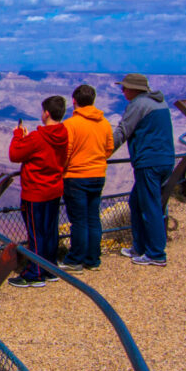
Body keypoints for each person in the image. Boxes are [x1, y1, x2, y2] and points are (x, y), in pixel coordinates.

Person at [112, 73, 174, 267]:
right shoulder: (159, 103)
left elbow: (123, 131)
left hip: (149, 162)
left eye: (125, 88)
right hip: (165, 159)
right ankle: (139, 247)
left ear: (135, 89)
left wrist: (100, 152)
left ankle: (156, 254)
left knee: (150, 206)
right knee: (137, 202)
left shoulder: (138, 105)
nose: (123, 91)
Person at [8, 96, 69, 288]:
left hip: (35, 192)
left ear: (47, 113)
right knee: (50, 231)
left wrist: (18, 135)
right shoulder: (64, 133)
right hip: (54, 189)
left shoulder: (38, 137)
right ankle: (50, 267)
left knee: (36, 233)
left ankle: (35, 273)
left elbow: (15, 155)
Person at [60, 85, 114, 272]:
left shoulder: (70, 125)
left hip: (76, 177)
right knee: (93, 218)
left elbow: (65, 153)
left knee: (79, 220)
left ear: (74, 101)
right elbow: (109, 149)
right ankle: (92, 259)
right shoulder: (104, 123)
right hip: (98, 175)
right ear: (93, 101)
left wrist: (64, 168)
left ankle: (75, 259)